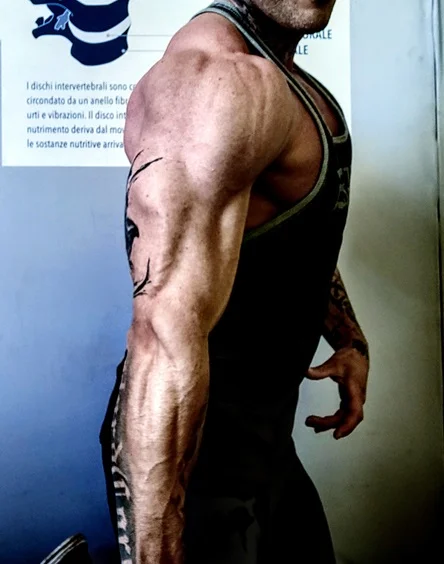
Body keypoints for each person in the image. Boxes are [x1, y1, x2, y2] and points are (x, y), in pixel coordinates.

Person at [100, 1, 370, 562]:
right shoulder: (215, 83)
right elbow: (162, 332)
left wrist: (348, 337)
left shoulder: (287, 79)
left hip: (266, 438)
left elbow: (296, 232)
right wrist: (154, 547)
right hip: (197, 457)